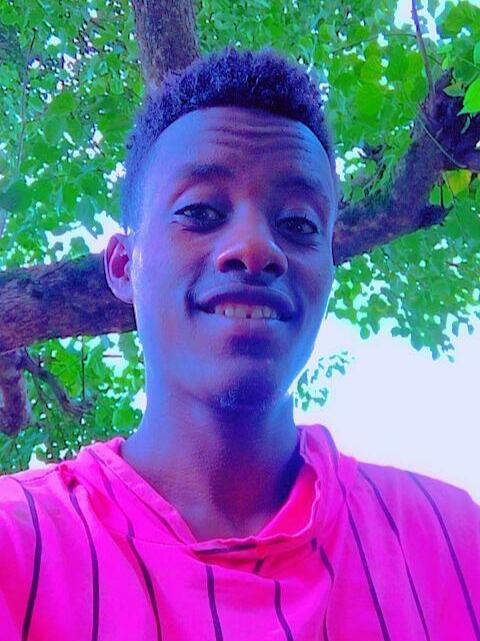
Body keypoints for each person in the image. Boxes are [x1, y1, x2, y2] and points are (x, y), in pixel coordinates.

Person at [1, 45, 479, 641]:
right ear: (124, 266)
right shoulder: (16, 546)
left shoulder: (453, 544)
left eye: (299, 224)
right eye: (201, 211)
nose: (255, 247)